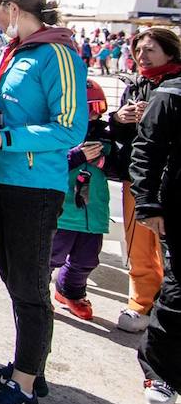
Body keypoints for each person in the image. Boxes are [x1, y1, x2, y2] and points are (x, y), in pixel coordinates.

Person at [0, 0, 87, 404]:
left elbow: (71, 127)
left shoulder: (58, 55)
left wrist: (7, 137)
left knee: (31, 288)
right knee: (15, 282)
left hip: (35, 187)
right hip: (0, 179)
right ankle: (25, 367)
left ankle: (25, 388)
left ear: (15, 8)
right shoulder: (11, 53)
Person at [110, 27, 181, 332]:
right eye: (138, 50)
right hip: (138, 180)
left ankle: (169, 307)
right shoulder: (136, 84)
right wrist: (120, 117)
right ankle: (141, 303)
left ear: (170, 52)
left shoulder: (175, 87)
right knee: (139, 246)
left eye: (150, 50)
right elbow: (125, 139)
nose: (142, 56)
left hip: (174, 181)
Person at [128, 68, 181, 404]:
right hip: (175, 209)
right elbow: (146, 150)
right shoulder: (172, 94)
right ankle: (160, 372)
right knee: (177, 294)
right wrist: (147, 203)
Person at [50, 79, 114, 322]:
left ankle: (70, 291)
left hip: (93, 212)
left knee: (87, 259)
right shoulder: (60, 133)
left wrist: (105, 160)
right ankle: (37, 292)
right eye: (83, 108)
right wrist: (76, 156)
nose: (90, 115)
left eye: (95, 108)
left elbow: (126, 164)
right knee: (51, 256)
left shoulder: (106, 136)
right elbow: (46, 165)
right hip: (64, 212)